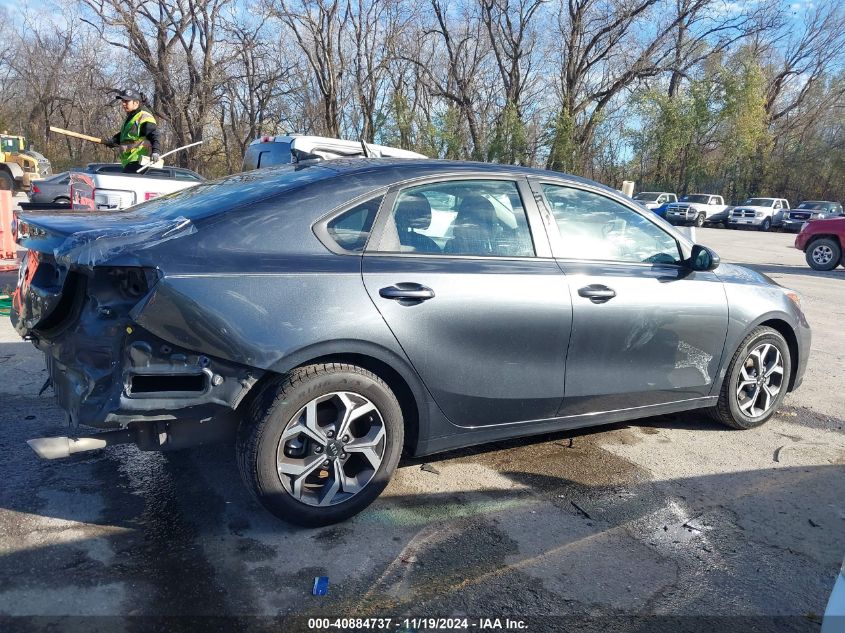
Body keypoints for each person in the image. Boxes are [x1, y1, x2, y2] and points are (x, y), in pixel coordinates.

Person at [104, 89, 161, 173]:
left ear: (136, 103)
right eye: (123, 101)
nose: (123, 104)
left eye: (126, 101)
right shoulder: (131, 117)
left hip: (139, 160)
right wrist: (114, 140)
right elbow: (125, 135)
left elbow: (154, 134)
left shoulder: (144, 116)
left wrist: (156, 151)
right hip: (129, 160)